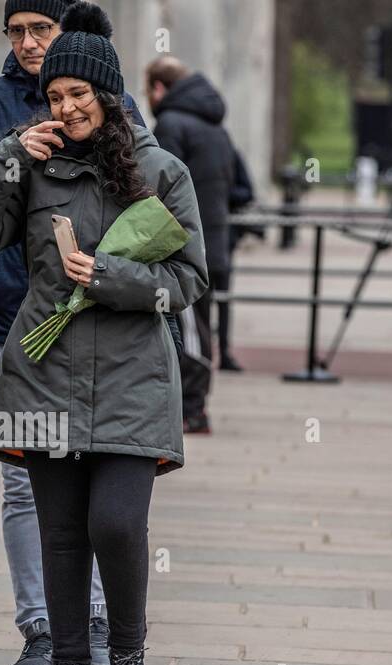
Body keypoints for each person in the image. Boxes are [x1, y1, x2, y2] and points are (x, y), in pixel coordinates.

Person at [0, 2, 208, 665]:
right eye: (56, 96)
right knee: (60, 532)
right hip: (43, 372)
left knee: (116, 524)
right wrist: (6, 159)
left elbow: (188, 281)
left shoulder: (161, 173)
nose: (64, 107)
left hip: (133, 379)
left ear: (107, 97)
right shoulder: (31, 166)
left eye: (77, 96)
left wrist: (110, 277)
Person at [0, 0, 145, 665]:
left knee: (93, 474)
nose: (26, 41)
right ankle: (43, 630)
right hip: (6, 320)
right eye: (15, 29)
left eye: (39, 28)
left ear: (65, 33)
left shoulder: (111, 105)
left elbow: (150, 207)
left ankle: (100, 628)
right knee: (25, 481)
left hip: (92, 318)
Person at [145, 56, 254, 435]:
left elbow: (159, 188)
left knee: (188, 329)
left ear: (159, 88)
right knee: (200, 327)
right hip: (216, 242)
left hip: (184, 247)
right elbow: (245, 189)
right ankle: (192, 407)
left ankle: (193, 411)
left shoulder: (171, 124)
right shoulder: (218, 129)